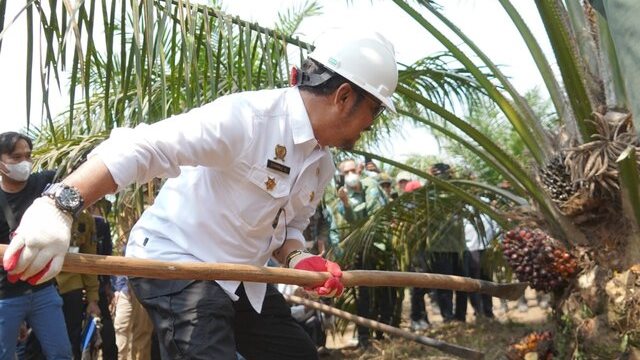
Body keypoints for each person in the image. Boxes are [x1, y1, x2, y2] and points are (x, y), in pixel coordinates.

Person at [3, 28, 399, 360]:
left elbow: (289, 225)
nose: (371, 124)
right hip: (178, 264)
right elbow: (145, 146)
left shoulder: (320, 164)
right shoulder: (249, 118)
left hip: (241, 277)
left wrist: (299, 257)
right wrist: (59, 204)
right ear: (344, 96)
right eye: (376, 110)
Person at [0, 131, 72, 360]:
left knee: (61, 353)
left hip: (43, 289)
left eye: (28, 156)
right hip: (4, 296)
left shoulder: (46, 184)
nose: (24, 162)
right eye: (16, 157)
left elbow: (78, 178)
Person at [336, 158, 394, 348]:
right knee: (365, 295)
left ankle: (384, 332)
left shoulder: (372, 185)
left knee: (387, 291)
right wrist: (346, 204)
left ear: (359, 170)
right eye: (346, 172)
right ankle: (364, 337)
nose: (351, 174)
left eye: (353, 170)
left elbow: (379, 213)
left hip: (383, 247)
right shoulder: (343, 200)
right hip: (362, 251)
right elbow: (354, 222)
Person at [56, 209, 101, 359]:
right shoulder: (39, 211)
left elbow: (89, 261)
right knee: (35, 342)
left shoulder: (85, 219)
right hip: (41, 287)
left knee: (72, 342)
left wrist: (92, 299)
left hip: (71, 288)